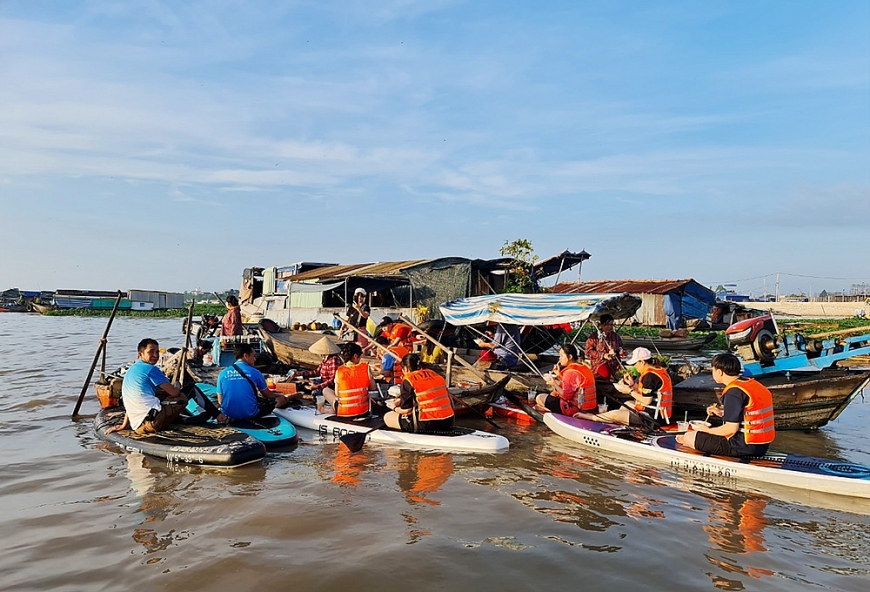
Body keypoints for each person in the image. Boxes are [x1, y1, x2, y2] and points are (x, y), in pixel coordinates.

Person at [677, 353, 775, 457]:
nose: (713, 373)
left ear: (719, 372)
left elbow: (731, 429)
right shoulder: (752, 384)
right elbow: (748, 414)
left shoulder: (733, 392)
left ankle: (687, 440)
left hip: (742, 447)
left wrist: (706, 430)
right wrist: (721, 413)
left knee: (688, 437)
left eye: (713, 370)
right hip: (762, 446)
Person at [106, 338, 187, 435]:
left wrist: (123, 425)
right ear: (140, 354)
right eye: (151, 352)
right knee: (182, 397)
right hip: (151, 423)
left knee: (158, 394)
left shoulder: (131, 369)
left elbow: (130, 402)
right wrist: (177, 385)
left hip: (137, 427)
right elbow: (174, 392)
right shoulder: (151, 369)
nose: (155, 355)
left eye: (157, 352)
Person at [577, 346, 671, 427]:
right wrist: (632, 385)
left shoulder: (649, 376)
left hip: (651, 418)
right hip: (657, 413)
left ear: (642, 362)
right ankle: (621, 424)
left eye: (635, 364)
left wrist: (629, 391)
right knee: (626, 404)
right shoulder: (657, 370)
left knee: (615, 414)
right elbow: (649, 391)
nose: (635, 367)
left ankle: (592, 417)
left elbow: (647, 400)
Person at [216, 343, 292, 421]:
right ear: (246, 356)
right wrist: (282, 395)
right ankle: (291, 397)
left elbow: (220, 400)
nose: (255, 359)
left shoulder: (223, 373)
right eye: (253, 356)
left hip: (227, 414)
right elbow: (268, 395)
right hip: (250, 414)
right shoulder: (255, 372)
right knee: (280, 399)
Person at [384, 353, 454, 433]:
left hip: (426, 423)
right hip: (448, 421)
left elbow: (406, 410)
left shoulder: (408, 380)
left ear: (406, 369)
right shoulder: (434, 374)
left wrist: (394, 408)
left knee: (387, 417)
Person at [535, 344, 597, 416]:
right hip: (588, 407)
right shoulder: (583, 367)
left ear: (570, 357)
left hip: (575, 409)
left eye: (561, 356)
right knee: (553, 394)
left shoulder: (571, 372)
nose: (559, 358)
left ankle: (549, 410)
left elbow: (566, 396)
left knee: (539, 398)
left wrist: (553, 383)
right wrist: (558, 374)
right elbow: (571, 384)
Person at [292, 336, 343, 410]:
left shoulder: (334, 360)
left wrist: (318, 386)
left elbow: (333, 379)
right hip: (323, 382)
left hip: (331, 386)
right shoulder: (325, 359)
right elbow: (317, 372)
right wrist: (300, 373)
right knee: (303, 385)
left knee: (315, 392)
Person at [334, 342, 377, 418]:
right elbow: (373, 387)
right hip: (363, 412)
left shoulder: (339, 371)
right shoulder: (365, 367)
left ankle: (328, 410)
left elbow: (337, 394)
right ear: (355, 356)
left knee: (326, 390)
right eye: (360, 356)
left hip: (344, 413)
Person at [585, 314, 625, 380]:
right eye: (606, 325)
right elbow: (588, 352)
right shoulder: (594, 337)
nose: (609, 327)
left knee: (625, 375)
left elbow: (622, 349)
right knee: (605, 374)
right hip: (600, 364)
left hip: (614, 364)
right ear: (601, 325)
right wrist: (603, 355)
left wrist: (619, 352)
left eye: (611, 325)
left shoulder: (616, 336)